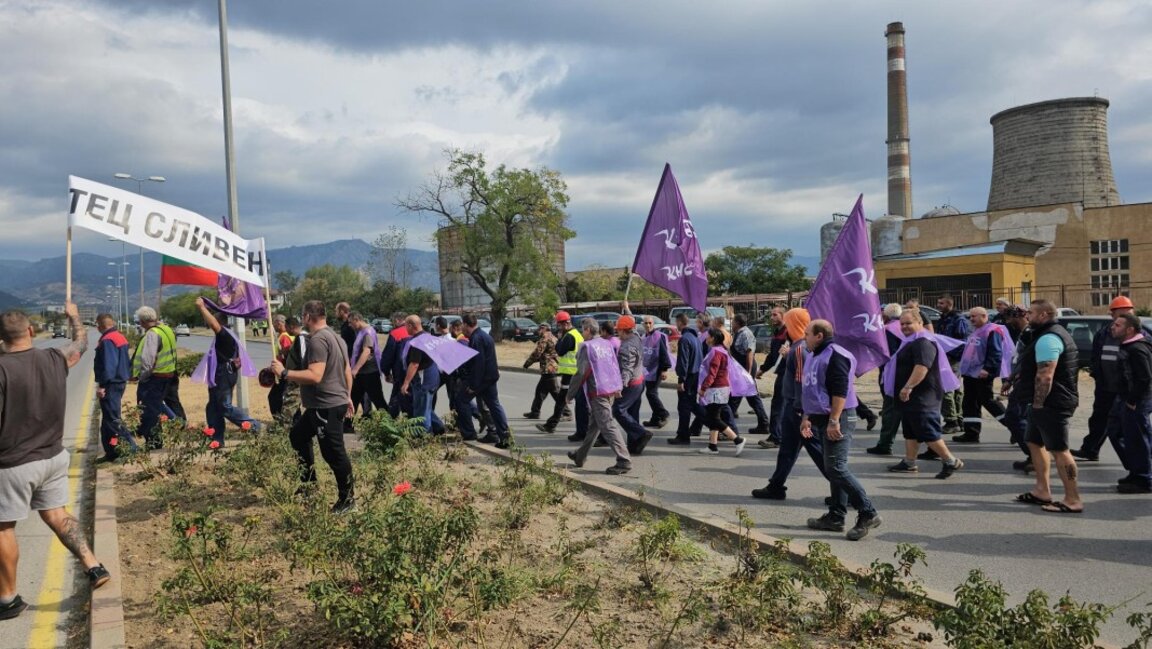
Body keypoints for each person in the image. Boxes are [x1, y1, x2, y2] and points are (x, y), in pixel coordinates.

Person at [0, 303, 110, 620]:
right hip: (53, 457)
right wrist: (74, 315)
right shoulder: (54, 358)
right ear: (31, 331)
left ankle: (7, 599)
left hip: (13, 464)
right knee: (57, 515)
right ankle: (93, 565)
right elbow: (81, 343)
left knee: (4, 527)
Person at [799, 319, 882, 541]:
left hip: (838, 416)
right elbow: (812, 389)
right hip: (822, 417)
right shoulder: (815, 355)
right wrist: (807, 416)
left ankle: (868, 512)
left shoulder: (836, 354)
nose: (804, 337)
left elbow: (840, 390)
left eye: (807, 333)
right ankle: (836, 516)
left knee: (835, 467)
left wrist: (834, 420)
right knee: (832, 467)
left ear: (819, 335)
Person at [270, 301, 356, 513]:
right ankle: (309, 484)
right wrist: (348, 396)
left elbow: (315, 376)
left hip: (325, 405)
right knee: (297, 436)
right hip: (323, 404)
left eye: (303, 316)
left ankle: (347, 500)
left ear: (308, 316)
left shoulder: (317, 340)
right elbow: (347, 371)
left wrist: (284, 373)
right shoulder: (336, 337)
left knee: (333, 453)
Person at [1013, 299, 1082, 513]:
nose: (1027, 316)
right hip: (1041, 403)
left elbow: (1045, 375)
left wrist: (1038, 403)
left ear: (1043, 315)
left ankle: (1073, 499)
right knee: (1034, 442)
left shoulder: (1049, 338)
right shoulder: (1045, 335)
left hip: (1052, 402)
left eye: (1031, 313)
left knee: (1060, 450)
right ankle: (1042, 490)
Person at [752, 308, 828, 499]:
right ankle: (776, 485)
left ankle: (845, 490)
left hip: (799, 410)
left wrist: (804, 413)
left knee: (817, 451)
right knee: (787, 449)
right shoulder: (797, 346)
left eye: (788, 322)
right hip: (792, 407)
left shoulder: (801, 348)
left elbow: (804, 384)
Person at [885, 310, 965, 479]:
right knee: (911, 430)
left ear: (920, 324)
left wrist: (908, 387)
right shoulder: (909, 341)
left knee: (927, 430)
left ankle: (950, 460)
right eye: (902, 324)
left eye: (909, 323)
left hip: (922, 396)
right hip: (910, 396)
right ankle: (909, 462)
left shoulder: (923, 342)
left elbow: (922, 366)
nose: (905, 327)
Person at [1073, 296, 1136, 462]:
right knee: (1099, 419)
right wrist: (1096, 374)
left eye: (1129, 311)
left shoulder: (1137, 333)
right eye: (1122, 312)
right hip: (1105, 385)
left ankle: (1140, 466)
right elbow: (1096, 356)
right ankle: (1090, 449)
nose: (1127, 314)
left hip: (1125, 389)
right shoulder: (1104, 332)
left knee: (1124, 426)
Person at [565, 321, 632, 475]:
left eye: (583, 330)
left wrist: (570, 394)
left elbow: (581, 373)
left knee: (608, 426)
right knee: (594, 426)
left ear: (588, 330)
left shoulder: (587, 347)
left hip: (598, 392)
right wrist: (617, 387)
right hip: (609, 390)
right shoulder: (607, 344)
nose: (582, 333)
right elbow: (614, 365)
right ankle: (580, 456)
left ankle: (624, 461)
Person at [195, 297, 260, 446]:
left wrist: (201, 308)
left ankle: (254, 426)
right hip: (221, 373)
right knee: (213, 406)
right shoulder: (228, 333)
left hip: (224, 373)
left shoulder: (224, 333)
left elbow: (213, 324)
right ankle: (217, 439)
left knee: (224, 406)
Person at [953, 307, 1012, 444]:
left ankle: (1016, 428)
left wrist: (988, 369)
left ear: (984, 316)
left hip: (982, 374)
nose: (971, 319)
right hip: (970, 373)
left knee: (988, 401)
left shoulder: (992, 330)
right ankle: (971, 433)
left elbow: (996, 352)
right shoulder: (976, 331)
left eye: (974, 316)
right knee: (970, 403)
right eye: (970, 316)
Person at [1110, 313, 1152, 494]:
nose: (1113, 327)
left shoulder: (1137, 349)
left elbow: (1145, 378)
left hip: (1138, 400)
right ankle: (1136, 470)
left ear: (1130, 330)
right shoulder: (1128, 345)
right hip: (1125, 397)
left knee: (1138, 438)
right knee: (1116, 431)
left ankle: (1144, 478)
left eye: (1118, 325)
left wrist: (1133, 400)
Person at [458, 314, 511, 448]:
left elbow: (478, 364)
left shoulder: (477, 338)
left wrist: (473, 385)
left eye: (462, 325)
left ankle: (469, 433)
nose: (461, 329)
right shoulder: (481, 335)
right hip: (489, 378)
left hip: (483, 380)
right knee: (493, 405)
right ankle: (502, 435)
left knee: (461, 400)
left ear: (465, 324)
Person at [695, 328, 748, 456]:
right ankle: (712, 446)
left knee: (714, 418)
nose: (705, 338)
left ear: (713, 338)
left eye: (708, 336)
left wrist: (703, 388)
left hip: (717, 389)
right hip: (720, 388)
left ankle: (738, 440)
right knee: (714, 417)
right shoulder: (722, 350)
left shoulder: (716, 351)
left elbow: (712, 373)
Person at [131, 306, 177, 449]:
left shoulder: (152, 334)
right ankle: (176, 422)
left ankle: (153, 441)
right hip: (168, 375)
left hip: (154, 378)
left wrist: (141, 377)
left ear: (143, 321)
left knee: (149, 411)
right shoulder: (166, 329)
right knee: (156, 407)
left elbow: (148, 361)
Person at [93, 313, 138, 462]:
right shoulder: (119, 336)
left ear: (102, 324)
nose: (96, 327)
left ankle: (131, 449)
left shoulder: (107, 340)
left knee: (112, 419)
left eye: (97, 324)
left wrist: (102, 385)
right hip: (119, 381)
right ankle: (111, 452)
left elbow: (109, 365)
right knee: (106, 421)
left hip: (111, 383)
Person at [866, 303, 907, 455]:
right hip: (907, 374)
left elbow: (888, 354)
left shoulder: (888, 330)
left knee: (890, 411)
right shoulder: (906, 329)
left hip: (893, 375)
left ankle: (885, 444)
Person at [612, 315, 654, 455]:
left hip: (631, 384)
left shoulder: (626, 346)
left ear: (624, 331)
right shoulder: (636, 336)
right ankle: (634, 445)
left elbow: (627, 369)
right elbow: (633, 325)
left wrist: (621, 387)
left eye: (618, 331)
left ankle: (641, 433)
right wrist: (626, 309)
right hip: (640, 381)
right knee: (632, 413)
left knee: (618, 410)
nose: (617, 334)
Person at [537, 311, 582, 435]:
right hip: (577, 373)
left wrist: (560, 338)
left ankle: (551, 425)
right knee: (573, 401)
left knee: (561, 400)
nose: (559, 327)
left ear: (565, 324)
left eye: (560, 325)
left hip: (570, 374)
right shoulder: (577, 334)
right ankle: (552, 424)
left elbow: (560, 351)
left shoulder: (569, 336)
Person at [399, 315, 445, 435]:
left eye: (405, 326)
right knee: (426, 406)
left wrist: (406, 383)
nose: (405, 329)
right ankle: (439, 427)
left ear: (410, 325)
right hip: (433, 377)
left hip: (423, 380)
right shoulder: (429, 337)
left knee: (421, 411)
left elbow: (414, 364)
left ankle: (424, 436)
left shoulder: (418, 342)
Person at [728, 314, 771, 435]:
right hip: (739, 369)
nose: (732, 324)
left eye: (733, 322)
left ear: (737, 322)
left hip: (745, 369)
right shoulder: (739, 333)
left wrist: (747, 373)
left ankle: (728, 429)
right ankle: (763, 424)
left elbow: (749, 353)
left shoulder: (746, 334)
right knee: (752, 398)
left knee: (734, 398)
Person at [668, 313, 706, 445]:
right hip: (695, 375)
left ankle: (683, 435)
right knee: (691, 405)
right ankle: (717, 425)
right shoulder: (696, 338)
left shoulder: (684, 339)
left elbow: (683, 362)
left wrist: (681, 380)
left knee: (684, 407)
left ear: (679, 322)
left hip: (688, 377)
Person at [934, 296, 971, 435]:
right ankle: (957, 419)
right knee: (953, 388)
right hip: (945, 356)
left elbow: (961, 341)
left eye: (941, 303)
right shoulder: (943, 318)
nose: (939, 305)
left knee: (948, 388)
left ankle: (952, 421)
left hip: (952, 358)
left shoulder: (958, 319)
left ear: (949, 304)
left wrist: (952, 355)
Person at [757, 306, 788, 446]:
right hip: (783, 372)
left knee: (778, 405)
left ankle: (776, 437)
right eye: (771, 315)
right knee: (782, 405)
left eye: (775, 315)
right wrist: (763, 369)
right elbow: (773, 355)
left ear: (783, 315)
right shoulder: (778, 332)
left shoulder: (789, 332)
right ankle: (779, 434)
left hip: (788, 372)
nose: (772, 318)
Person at [348, 313, 386, 416]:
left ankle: (389, 423)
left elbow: (366, 352)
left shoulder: (367, 333)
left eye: (351, 323)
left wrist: (355, 368)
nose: (350, 325)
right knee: (353, 398)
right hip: (362, 373)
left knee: (377, 399)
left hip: (369, 372)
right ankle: (347, 424)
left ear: (357, 320)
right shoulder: (361, 332)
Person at [639, 315, 672, 428]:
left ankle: (664, 414)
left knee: (651, 393)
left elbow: (664, 353)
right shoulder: (644, 337)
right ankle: (655, 418)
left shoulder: (659, 336)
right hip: (648, 370)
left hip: (657, 369)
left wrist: (665, 369)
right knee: (652, 392)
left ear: (653, 324)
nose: (648, 325)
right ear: (643, 324)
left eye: (650, 323)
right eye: (646, 323)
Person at [522, 323, 561, 419]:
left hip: (549, 369)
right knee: (540, 391)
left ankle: (567, 412)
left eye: (540, 329)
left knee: (556, 393)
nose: (538, 331)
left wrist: (527, 363)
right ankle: (535, 412)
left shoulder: (545, 338)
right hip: (551, 367)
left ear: (544, 329)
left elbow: (537, 353)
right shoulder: (554, 337)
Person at [380, 311, 412, 418]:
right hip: (416, 372)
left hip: (400, 372)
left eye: (393, 321)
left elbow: (388, 355)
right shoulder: (414, 331)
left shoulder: (395, 333)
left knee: (396, 398)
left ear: (398, 320)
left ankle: (391, 424)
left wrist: (386, 372)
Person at [277, 317, 305, 427]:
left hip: (297, 379)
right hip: (293, 377)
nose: (286, 331)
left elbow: (303, 360)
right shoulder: (297, 338)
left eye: (287, 328)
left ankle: (284, 432)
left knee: (288, 407)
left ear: (291, 327)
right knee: (293, 407)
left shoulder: (301, 338)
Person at [268, 315, 291, 416]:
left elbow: (285, 355)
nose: (273, 325)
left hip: (283, 372)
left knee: (276, 397)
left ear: (279, 323)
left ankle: (280, 420)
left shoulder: (284, 337)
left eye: (274, 323)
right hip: (280, 372)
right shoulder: (282, 336)